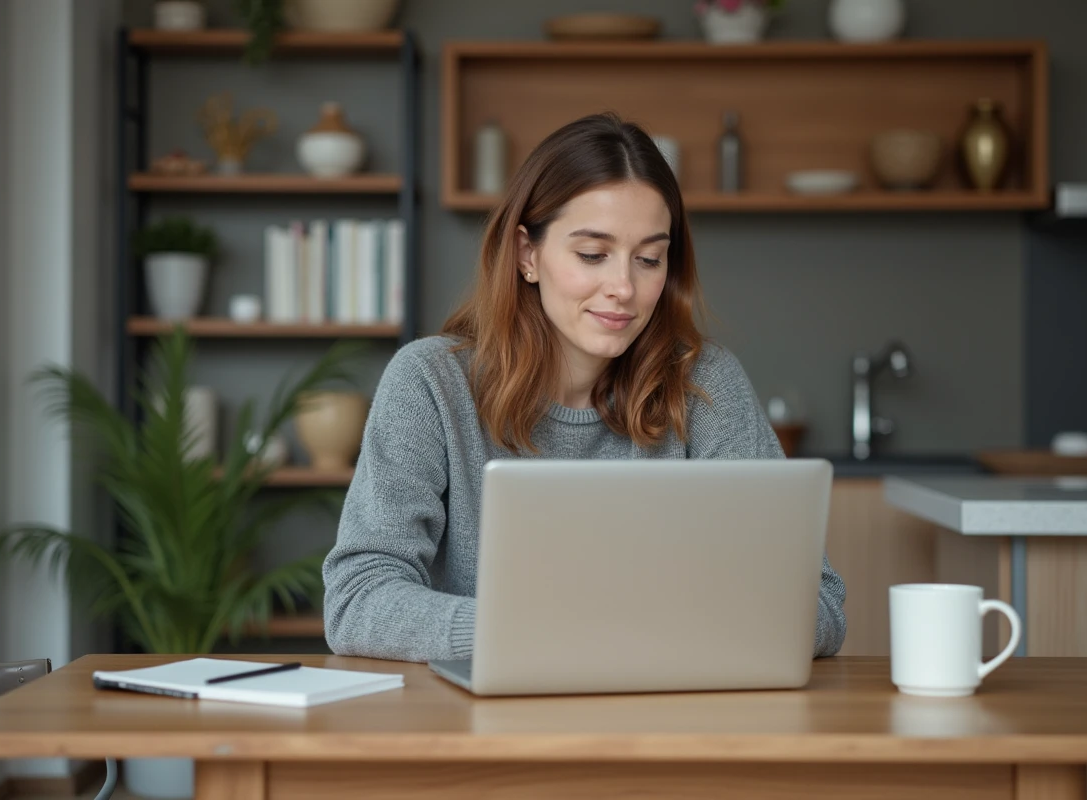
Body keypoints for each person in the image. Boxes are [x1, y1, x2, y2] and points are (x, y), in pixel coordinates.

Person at [323, 112, 846, 663]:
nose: (624, 287)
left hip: (665, 720)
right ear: (528, 254)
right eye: (592, 255)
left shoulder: (702, 384)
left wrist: (607, 636)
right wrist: (539, 634)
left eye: (649, 259)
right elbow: (359, 598)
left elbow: (820, 607)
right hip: (482, 722)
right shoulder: (431, 382)